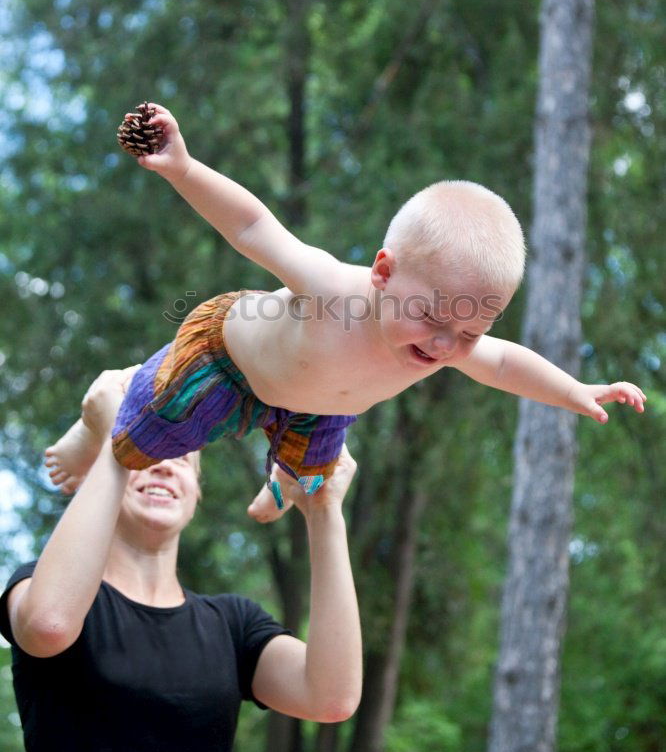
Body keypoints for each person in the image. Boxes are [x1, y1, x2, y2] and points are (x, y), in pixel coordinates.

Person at [45, 103, 646, 519]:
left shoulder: (450, 341)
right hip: (226, 362)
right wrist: (182, 167)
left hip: (312, 409)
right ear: (383, 273)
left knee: (313, 477)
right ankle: (100, 415)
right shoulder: (332, 288)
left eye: (468, 332)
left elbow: (508, 365)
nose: (443, 346)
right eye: (431, 319)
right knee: (145, 438)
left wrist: (576, 391)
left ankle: (283, 479)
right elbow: (253, 226)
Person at [0, 368, 362, 752]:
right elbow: (48, 625)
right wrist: (120, 442)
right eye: (148, 453)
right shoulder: (43, 586)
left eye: (183, 458)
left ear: (197, 494)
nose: (165, 465)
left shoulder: (232, 625)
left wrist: (324, 508)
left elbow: (331, 697)